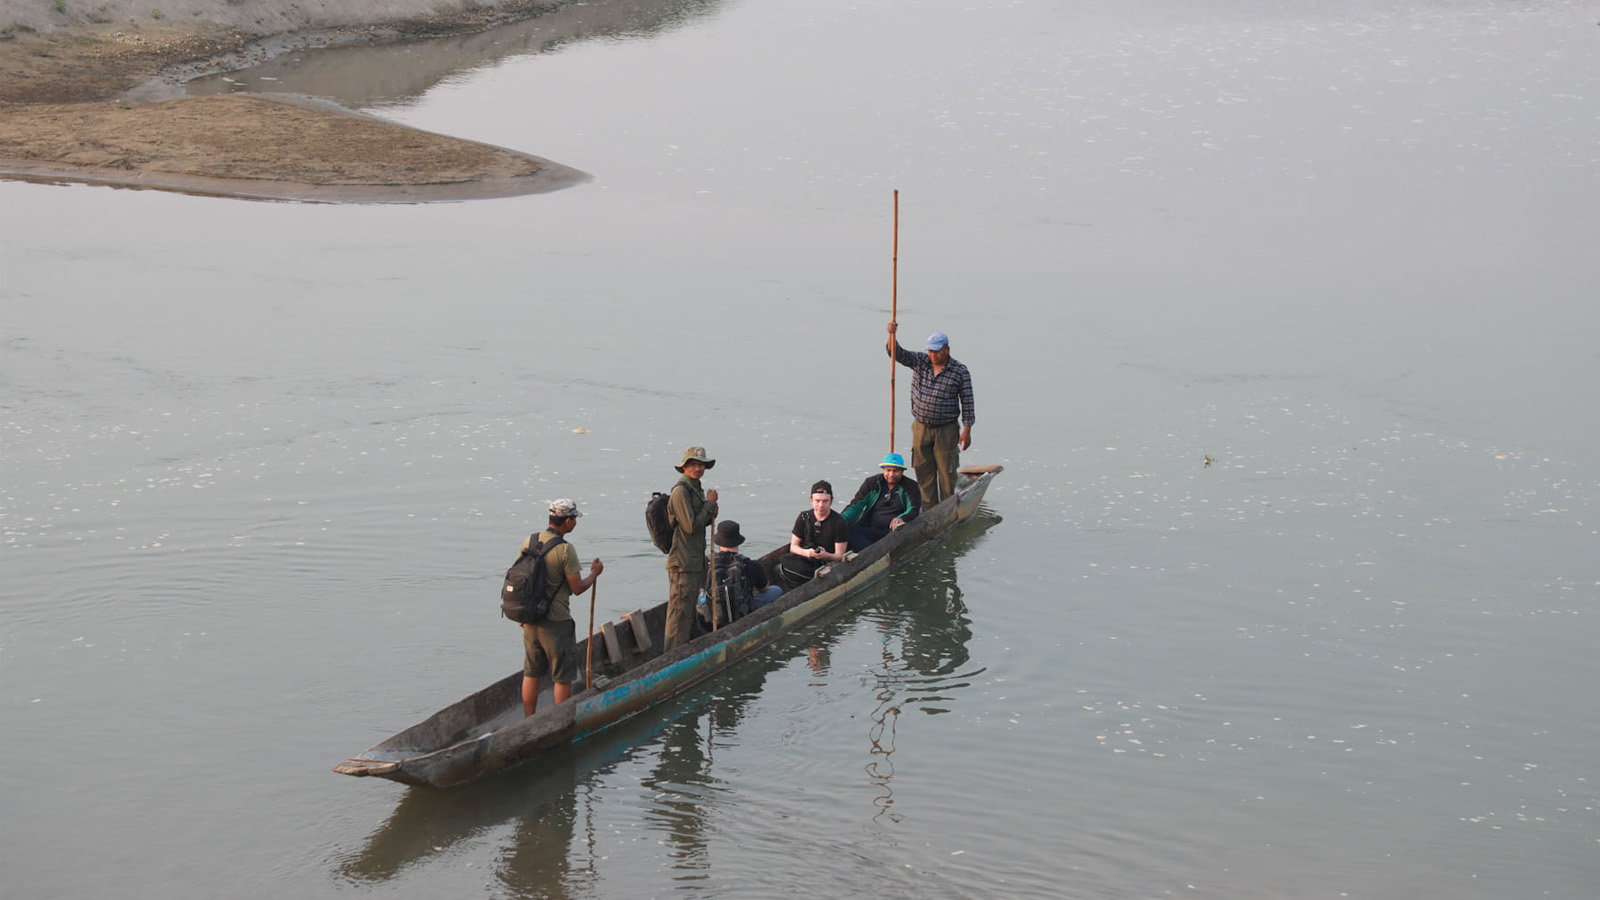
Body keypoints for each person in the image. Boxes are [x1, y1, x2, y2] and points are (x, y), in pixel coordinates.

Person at [522, 499, 603, 717]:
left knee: (531, 673)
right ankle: (560, 719)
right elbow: (577, 588)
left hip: (530, 620)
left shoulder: (530, 541)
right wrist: (594, 573)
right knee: (562, 676)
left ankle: (529, 720)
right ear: (568, 521)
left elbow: (521, 580)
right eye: (574, 519)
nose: (575, 522)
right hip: (556, 623)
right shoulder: (566, 550)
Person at [887, 321, 976, 506]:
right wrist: (892, 334)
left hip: (946, 428)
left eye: (937, 351)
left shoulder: (960, 371)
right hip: (921, 426)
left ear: (947, 350)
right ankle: (928, 508)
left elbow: (967, 401)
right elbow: (896, 354)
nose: (933, 355)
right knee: (922, 468)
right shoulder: (921, 361)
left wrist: (967, 429)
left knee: (946, 469)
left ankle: (948, 506)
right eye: (930, 351)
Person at [665, 446, 719, 651]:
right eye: (693, 465)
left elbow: (697, 523)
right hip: (683, 562)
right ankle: (670, 657)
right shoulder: (680, 491)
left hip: (694, 560)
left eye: (701, 465)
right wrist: (710, 505)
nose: (698, 469)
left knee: (688, 611)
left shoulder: (696, 488)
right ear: (685, 467)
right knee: (679, 613)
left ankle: (683, 649)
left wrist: (710, 510)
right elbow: (689, 526)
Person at [776, 480, 850, 588]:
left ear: (831, 501)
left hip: (825, 561)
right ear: (811, 500)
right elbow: (793, 547)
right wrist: (807, 553)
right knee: (784, 562)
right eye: (817, 500)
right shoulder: (803, 517)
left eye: (825, 501)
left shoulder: (839, 522)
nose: (821, 505)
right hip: (807, 556)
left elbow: (839, 556)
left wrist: (826, 555)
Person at [706, 520, 782, 625]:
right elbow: (763, 588)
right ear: (738, 542)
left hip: (715, 615)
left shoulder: (709, 565)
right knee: (776, 590)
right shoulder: (750, 564)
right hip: (742, 613)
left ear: (718, 542)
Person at [840, 452, 921, 550]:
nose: (891, 474)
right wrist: (839, 521)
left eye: (895, 471)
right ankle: (869, 550)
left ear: (902, 471)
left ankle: (870, 550)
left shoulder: (911, 486)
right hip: (870, 529)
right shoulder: (871, 483)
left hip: (893, 532)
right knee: (848, 532)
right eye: (888, 470)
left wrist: (901, 518)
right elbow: (856, 506)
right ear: (883, 470)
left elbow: (913, 509)